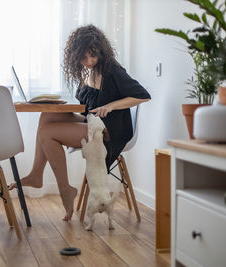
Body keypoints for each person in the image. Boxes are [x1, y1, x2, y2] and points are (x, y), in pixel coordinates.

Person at [9, 24, 151, 221]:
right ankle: (36, 174)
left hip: (109, 130)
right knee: (47, 117)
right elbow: (86, 108)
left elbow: (143, 95)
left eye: (93, 56)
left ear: (100, 51)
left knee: (47, 133)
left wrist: (111, 106)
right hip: (92, 120)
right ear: (76, 56)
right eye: (84, 58)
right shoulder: (87, 73)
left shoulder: (112, 70)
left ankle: (64, 189)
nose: (90, 61)